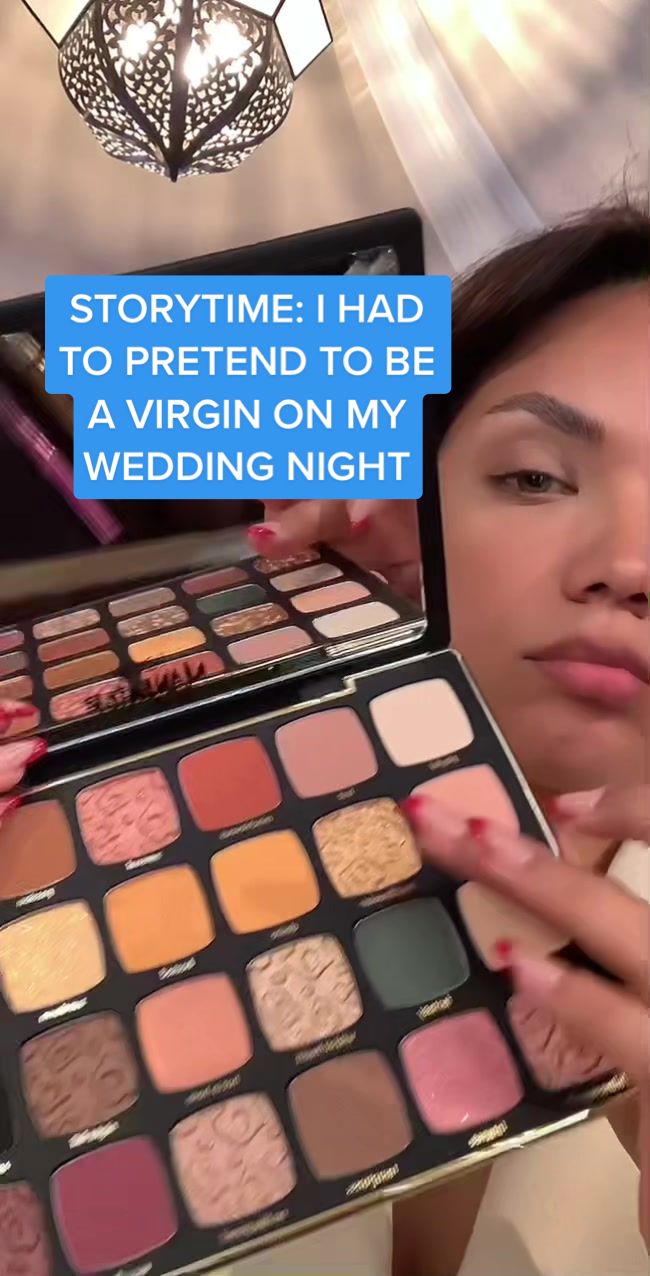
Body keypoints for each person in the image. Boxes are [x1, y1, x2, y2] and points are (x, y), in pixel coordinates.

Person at [1, 200, 647, 1276]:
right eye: (533, 476)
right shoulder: (191, 791)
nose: (626, 562)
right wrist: (320, 419)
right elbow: (80, 373)